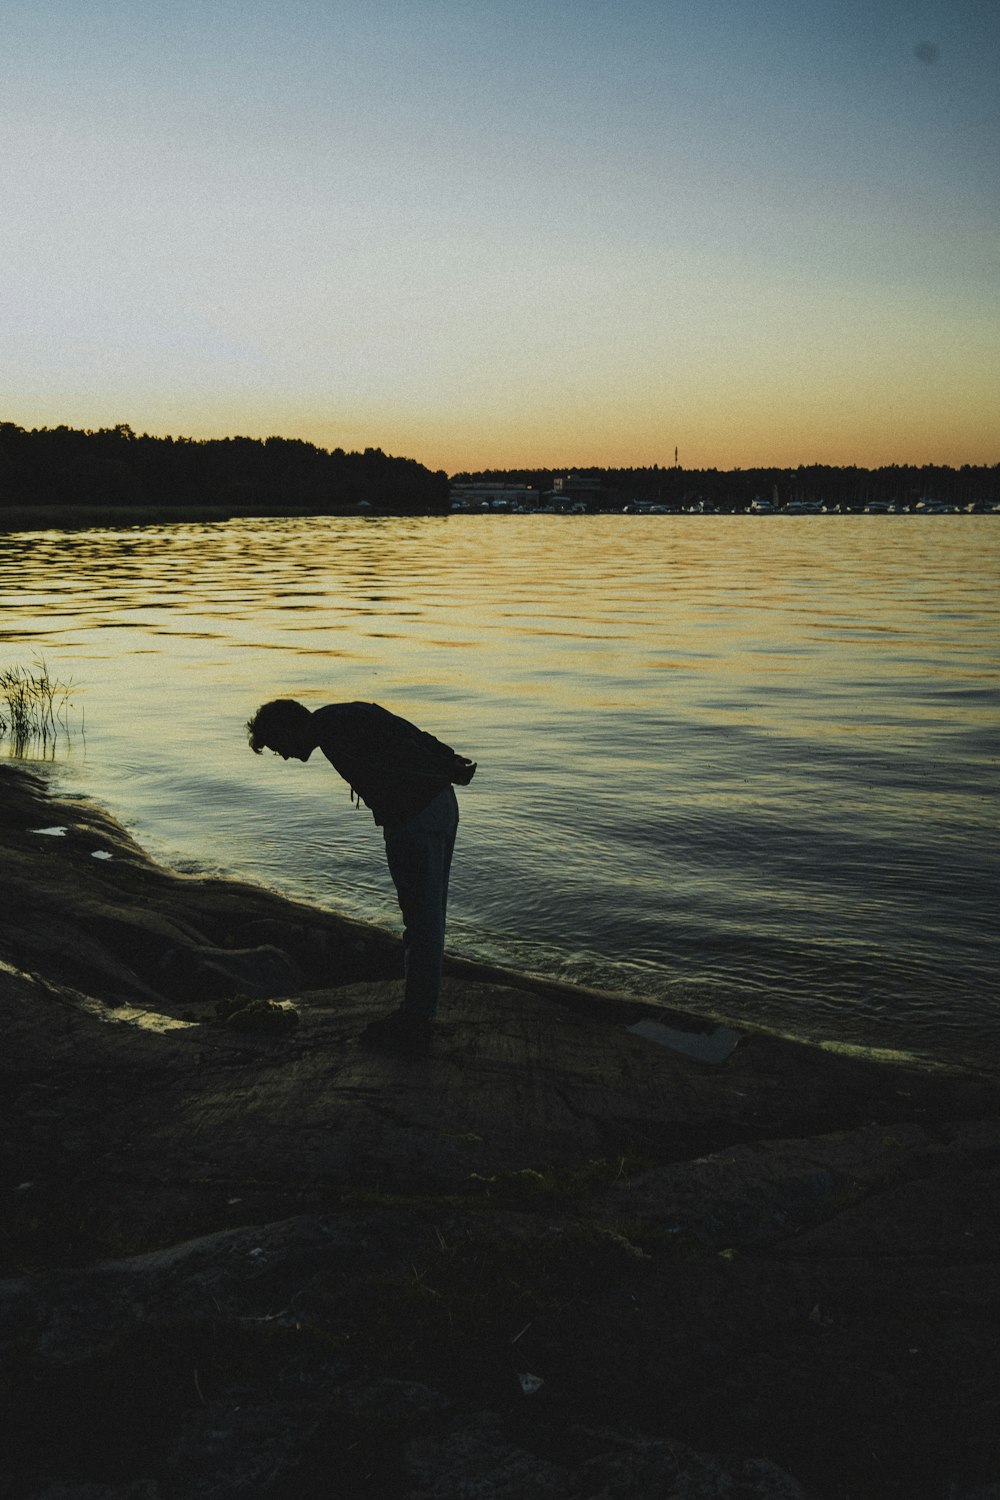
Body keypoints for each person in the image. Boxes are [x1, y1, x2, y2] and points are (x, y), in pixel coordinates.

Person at [246, 698, 476, 1053]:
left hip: (417, 818)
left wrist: (445, 766)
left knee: (422, 922)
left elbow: (399, 748)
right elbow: (403, 732)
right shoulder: (338, 720)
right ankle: (418, 1011)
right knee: (426, 918)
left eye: (279, 746)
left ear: (288, 727)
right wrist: (446, 761)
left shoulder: (336, 728)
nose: (286, 756)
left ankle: (417, 1018)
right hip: (435, 809)